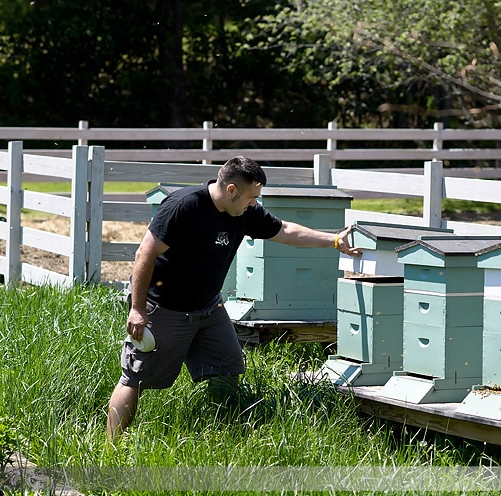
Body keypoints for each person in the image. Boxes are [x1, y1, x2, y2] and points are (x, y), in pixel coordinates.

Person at [106, 155, 361, 442]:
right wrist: (138, 309)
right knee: (134, 378)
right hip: (165, 308)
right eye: (252, 196)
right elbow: (144, 254)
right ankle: (111, 450)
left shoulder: (245, 213)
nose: (255, 203)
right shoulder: (184, 207)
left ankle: (219, 432)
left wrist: (335, 241)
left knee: (227, 368)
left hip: (209, 308)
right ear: (231, 190)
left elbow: (286, 230)